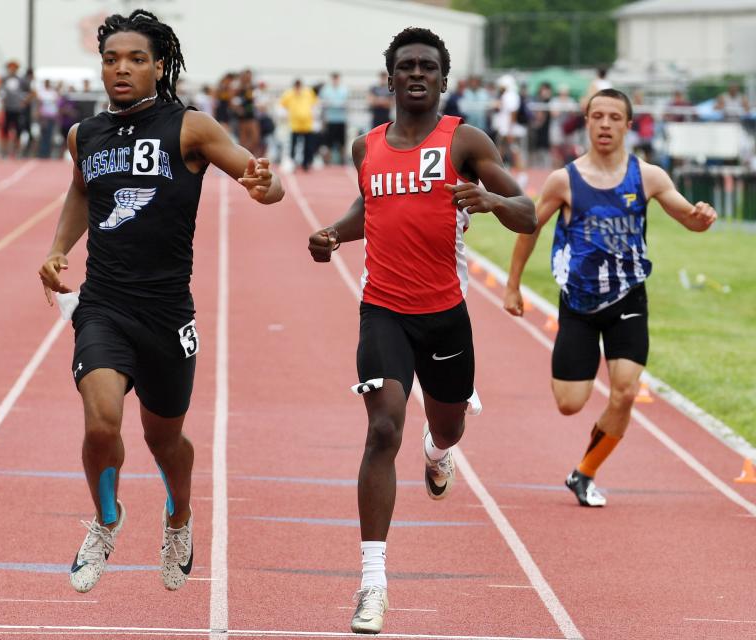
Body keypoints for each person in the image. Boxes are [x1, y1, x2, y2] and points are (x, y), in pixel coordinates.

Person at [37, 9, 283, 596]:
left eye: (136, 59)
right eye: (112, 59)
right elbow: (80, 189)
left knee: (163, 438)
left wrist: (264, 185)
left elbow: (262, 182)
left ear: (160, 66)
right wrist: (57, 250)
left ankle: (178, 518)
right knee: (101, 421)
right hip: (104, 305)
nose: (121, 69)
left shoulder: (190, 128)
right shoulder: (84, 134)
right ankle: (105, 521)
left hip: (168, 313)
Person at [307, 27, 535, 634]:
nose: (415, 73)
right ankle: (373, 585)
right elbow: (368, 211)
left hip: (445, 313)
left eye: (426, 66)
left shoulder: (464, 140)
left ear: (441, 77)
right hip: (382, 308)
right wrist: (332, 232)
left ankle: (438, 456)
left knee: (446, 426)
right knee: (383, 430)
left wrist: (488, 200)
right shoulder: (366, 148)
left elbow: (529, 211)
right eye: (405, 65)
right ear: (389, 78)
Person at [503, 89, 717, 508]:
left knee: (625, 392)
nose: (605, 124)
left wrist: (700, 218)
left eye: (614, 117)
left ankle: (584, 473)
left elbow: (687, 216)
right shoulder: (564, 180)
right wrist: (513, 285)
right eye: (597, 116)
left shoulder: (649, 176)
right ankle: (584, 462)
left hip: (629, 299)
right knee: (570, 404)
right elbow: (530, 226)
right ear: (586, 122)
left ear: (627, 125)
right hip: (580, 304)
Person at [279, 78, 318, 171]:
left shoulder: (308, 92)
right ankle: (292, 162)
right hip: (295, 124)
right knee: (294, 145)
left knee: (308, 146)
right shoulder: (289, 94)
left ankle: (306, 163)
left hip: (307, 124)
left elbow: (314, 104)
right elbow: (282, 105)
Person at [0, 60, 30, 158]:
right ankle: (5, 151)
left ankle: (15, 152)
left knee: (18, 131)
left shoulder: (21, 80)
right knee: (5, 130)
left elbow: (32, 92)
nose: (12, 70)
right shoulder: (4, 79)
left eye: (14, 68)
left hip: (17, 109)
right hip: (7, 108)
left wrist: (25, 102)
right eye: (10, 68)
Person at [319, 71, 348, 165]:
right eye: (334, 78)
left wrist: (333, 104)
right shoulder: (326, 90)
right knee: (328, 143)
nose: (335, 80)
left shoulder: (344, 89)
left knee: (342, 143)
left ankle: (343, 162)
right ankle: (328, 162)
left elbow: (346, 103)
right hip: (330, 119)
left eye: (337, 78)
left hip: (341, 119)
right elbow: (323, 103)